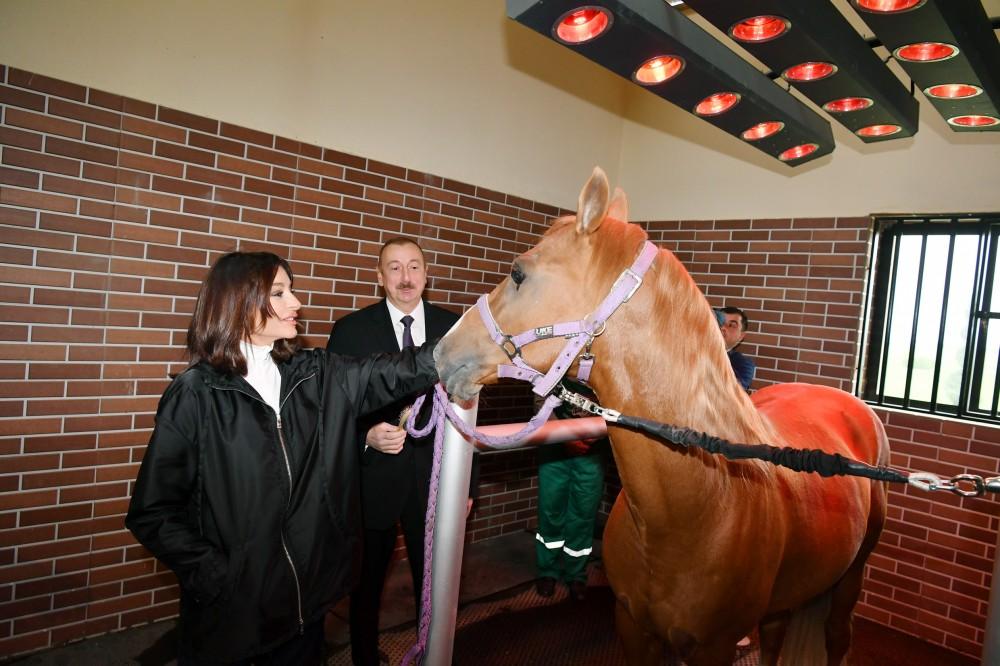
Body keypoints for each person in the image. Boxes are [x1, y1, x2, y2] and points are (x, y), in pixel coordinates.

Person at [125, 251, 439, 666]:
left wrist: (479, 337)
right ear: (239, 301)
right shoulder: (195, 395)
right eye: (279, 292)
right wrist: (219, 576)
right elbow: (153, 512)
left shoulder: (313, 373)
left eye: (290, 290)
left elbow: (394, 371)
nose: (296, 303)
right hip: (234, 621)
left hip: (305, 611)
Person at [326, 237, 471, 666]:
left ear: (427, 274)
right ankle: (365, 658)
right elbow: (334, 408)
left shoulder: (456, 330)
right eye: (394, 268)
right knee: (366, 583)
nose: (405, 278)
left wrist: (467, 486)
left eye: (413, 267)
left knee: (437, 582)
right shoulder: (351, 330)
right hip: (374, 481)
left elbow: (469, 413)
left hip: (437, 482)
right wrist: (366, 434)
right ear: (379, 277)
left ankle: (435, 653)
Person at [534, 378, 607, 603]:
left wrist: (599, 431)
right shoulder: (558, 353)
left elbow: (620, 401)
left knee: (583, 515)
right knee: (551, 511)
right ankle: (547, 572)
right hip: (555, 448)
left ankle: (576, 575)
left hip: (592, 453)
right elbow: (538, 400)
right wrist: (564, 435)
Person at [717, 305, 756, 391]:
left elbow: (734, 391)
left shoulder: (744, 364)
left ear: (741, 336)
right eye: (720, 323)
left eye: (731, 325)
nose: (722, 328)